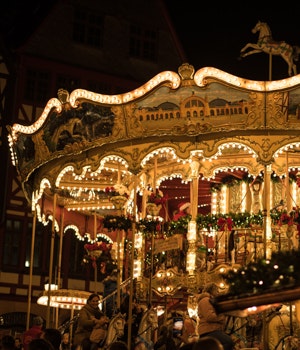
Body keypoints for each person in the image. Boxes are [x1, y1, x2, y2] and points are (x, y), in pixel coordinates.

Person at [197, 283, 234, 350]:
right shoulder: (205, 300)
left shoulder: (210, 301)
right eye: (216, 291)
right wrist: (222, 317)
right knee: (228, 342)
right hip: (209, 330)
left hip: (213, 330)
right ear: (212, 290)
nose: (218, 293)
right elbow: (210, 316)